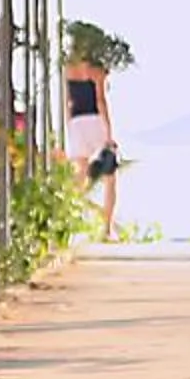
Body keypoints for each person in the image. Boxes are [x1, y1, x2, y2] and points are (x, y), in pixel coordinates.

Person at [64, 25, 124, 243]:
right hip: (95, 121)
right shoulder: (97, 71)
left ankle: (67, 225)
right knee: (110, 177)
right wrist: (109, 133)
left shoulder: (67, 69)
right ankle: (107, 228)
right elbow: (101, 101)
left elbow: (68, 103)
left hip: (77, 123)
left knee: (78, 177)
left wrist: (69, 126)